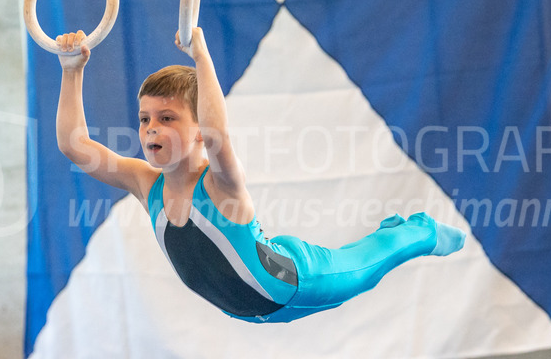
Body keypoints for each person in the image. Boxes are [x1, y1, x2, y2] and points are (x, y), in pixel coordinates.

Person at [54, 27, 465, 323]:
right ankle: (405, 233)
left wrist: (201, 58)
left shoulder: (219, 185)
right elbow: (76, 145)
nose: (151, 130)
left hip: (295, 283)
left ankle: (418, 232)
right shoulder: (146, 184)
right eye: (144, 120)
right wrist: (71, 70)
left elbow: (218, 135)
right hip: (252, 307)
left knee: (372, 262)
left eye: (167, 118)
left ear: (197, 129)